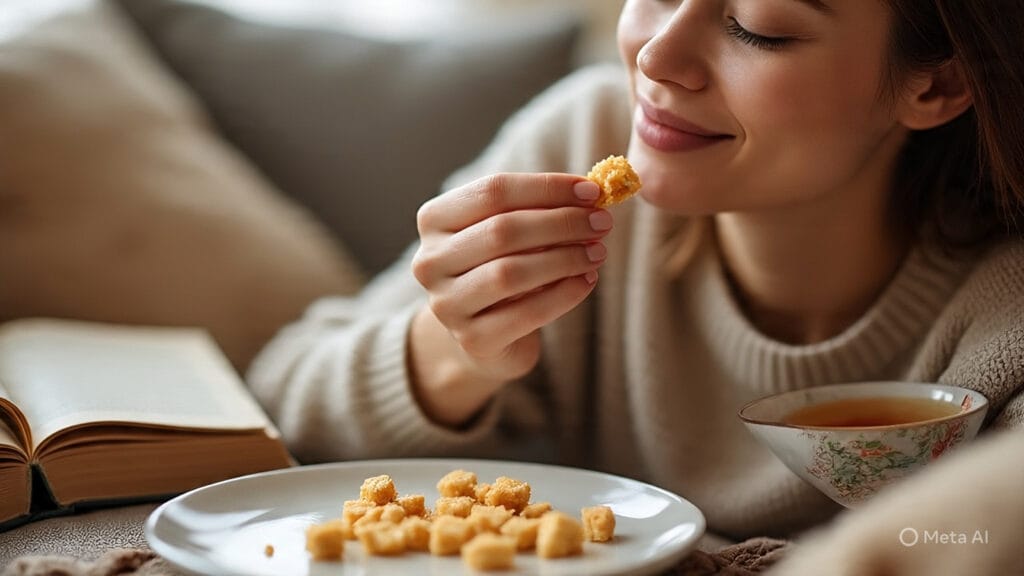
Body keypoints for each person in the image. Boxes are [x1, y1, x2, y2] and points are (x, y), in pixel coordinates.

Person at [248, 0, 1024, 572]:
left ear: (937, 84)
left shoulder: (1002, 306)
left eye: (758, 25)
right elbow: (280, 389)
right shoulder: (587, 135)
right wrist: (452, 353)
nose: (656, 57)